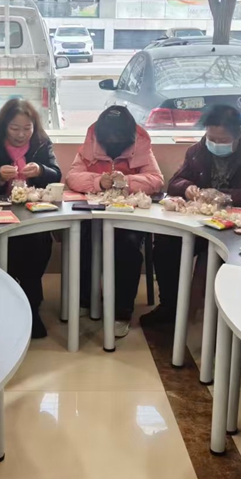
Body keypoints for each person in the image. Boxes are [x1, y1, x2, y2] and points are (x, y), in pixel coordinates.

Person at [142, 105, 241, 329]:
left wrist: (223, 196)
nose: (215, 144)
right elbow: (175, 182)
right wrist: (188, 188)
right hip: (198, 223)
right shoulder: (198, 151)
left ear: (238, 134)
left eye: (222, 140)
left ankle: (227, 318)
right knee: (165, 245)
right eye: (211, 138)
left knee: (227, 259)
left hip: (235, 229)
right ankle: (170, 306)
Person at [67, 106, 164, 336]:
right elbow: (72, 177)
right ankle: (85, 299)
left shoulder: (141, 145)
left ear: (129, 136)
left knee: (127, 246)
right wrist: (99, 182)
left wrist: (127, 182)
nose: (113, 141)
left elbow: (156, 180)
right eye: (108, 137)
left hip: (128, 216)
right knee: (81, 239)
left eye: (118, 137)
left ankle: (122, 311)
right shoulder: (90, 144)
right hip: (93, 213)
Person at [0, 98, 62, 337]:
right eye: (14, 128)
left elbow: (56, 174)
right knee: (6, 245)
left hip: (32, 211)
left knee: (38, 243)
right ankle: (8, 304)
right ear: (4, 126)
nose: (21, 135)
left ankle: (31, 306)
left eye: (27, 128)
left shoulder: (41, 142)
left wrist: (41, 171)